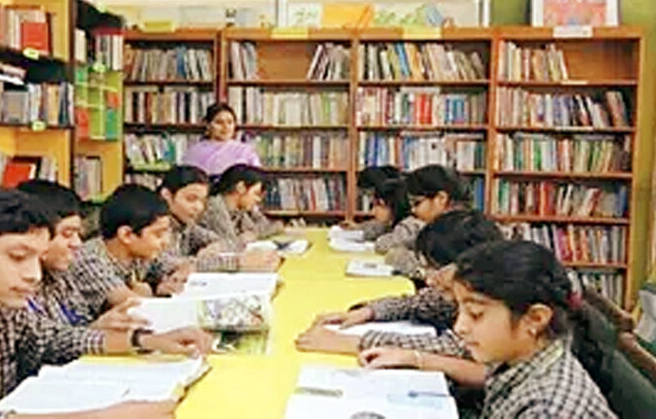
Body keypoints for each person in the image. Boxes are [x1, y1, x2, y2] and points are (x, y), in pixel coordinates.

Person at [0, 187, 213, 418]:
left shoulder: (0, 307)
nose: (34, 275)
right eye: (17, 257)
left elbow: (54, 339)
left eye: (37, 258)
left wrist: (146, 340)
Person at [369, 240, 615, 418]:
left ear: (535, 318)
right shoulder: (522, 358)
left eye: (476, 314)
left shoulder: (547, 409)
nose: (460, 327)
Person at [297, 210, 503, 387]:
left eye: (436, 270)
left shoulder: (494, 303)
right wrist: (368, 312)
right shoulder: (461, 290)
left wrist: (355, 343)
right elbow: (415, 303)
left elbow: (452, 347)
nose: (429, 280)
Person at [17, 180, 145, 331]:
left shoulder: (60, 278)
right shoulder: (13, 287)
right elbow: (40, 342)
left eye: (78, 234)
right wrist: (96, 331)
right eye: (67, 234)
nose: (77, 244)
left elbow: (81, 320)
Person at [66, 184, 183, 306]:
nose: (166, 241)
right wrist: (150, 292)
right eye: (158, 234)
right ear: (126, 235)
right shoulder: (90, 261)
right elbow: (131, 304)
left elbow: (181, 266)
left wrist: (173, 279)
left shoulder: (139, 252)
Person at [154, 165, 281, 276]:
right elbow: (166, 264)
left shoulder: (186, 224)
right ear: (166, 195)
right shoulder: (156, 223)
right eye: (191, 199)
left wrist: (217, 247)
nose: (199, 207)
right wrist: (238, 262)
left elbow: (223, 241)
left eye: (202, 201)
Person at [197, 164, 284, 246]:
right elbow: (230, 243)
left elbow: (266, 226)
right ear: (240, 188)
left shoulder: (239, 210)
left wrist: (254, 234)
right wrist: (247, 237)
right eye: (256, 194)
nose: (259, 200)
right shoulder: (214, 207)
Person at [182, 102, 261, 176]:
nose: (225, 127)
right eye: (219, 122)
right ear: (208, 125)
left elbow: (257, 178)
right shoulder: (194, 152)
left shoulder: (245, 151)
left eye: (230, 122)